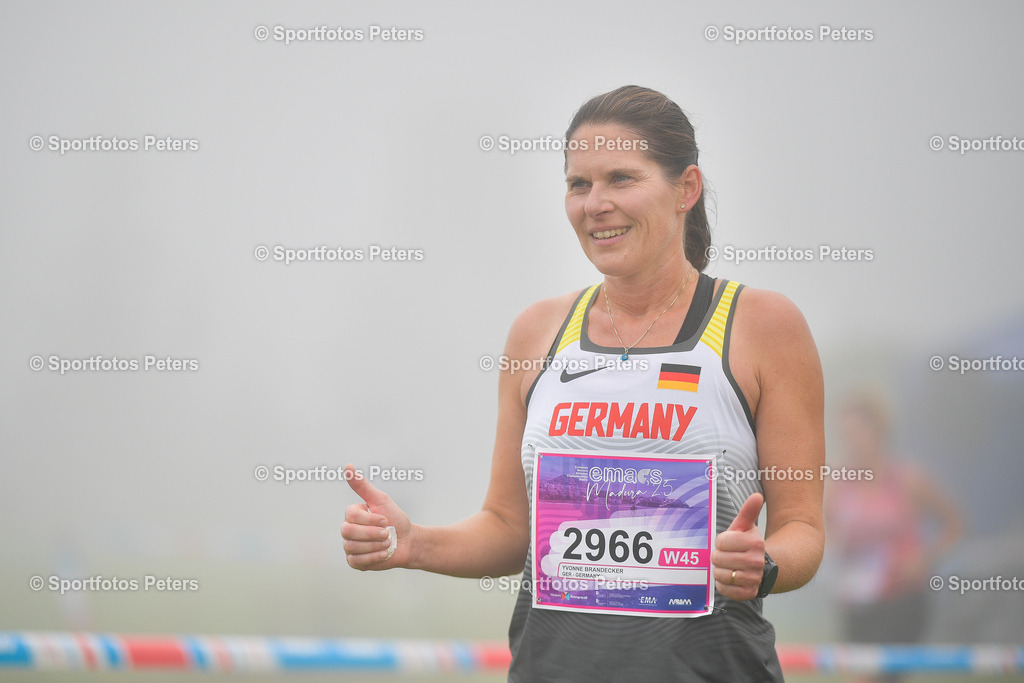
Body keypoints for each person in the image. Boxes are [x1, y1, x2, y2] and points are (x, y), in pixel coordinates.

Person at [341, 85, 825, 681]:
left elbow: (803, 530)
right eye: (578, 184)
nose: (594, 203)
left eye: (621, 178)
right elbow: (508, 528)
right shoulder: (536, 331)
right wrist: (415, 544)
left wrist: (765, 565)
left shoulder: (764, 325)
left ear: (686, 190)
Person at [828, 392, 962, 683]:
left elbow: (954, 524)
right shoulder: (837, 483)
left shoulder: (908, 478)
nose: (850, 441)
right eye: (844, 434)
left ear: (878, 432)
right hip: (857, 603)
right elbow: (819, 531)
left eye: (856, 432)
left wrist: (924, 558)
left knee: (867, 678)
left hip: (903, 599)